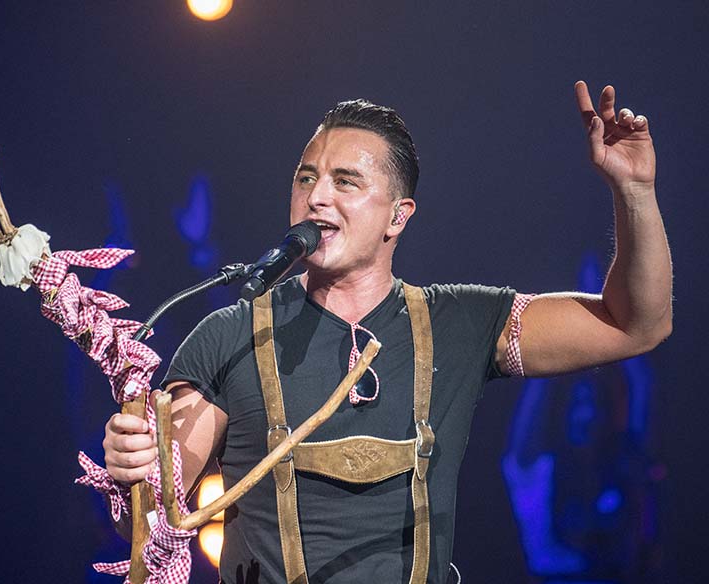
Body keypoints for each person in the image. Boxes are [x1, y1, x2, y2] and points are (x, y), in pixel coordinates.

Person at [102, 81, 672, 583]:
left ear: (398, 217)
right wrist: (135, 471)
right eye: (306, 178)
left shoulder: (461, 324)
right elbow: (155, 512)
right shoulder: (227, 337)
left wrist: (634, 191)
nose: (316, 196)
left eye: (344, 182)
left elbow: (635, 325)